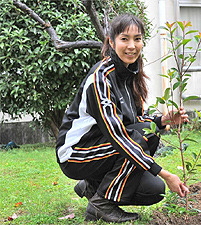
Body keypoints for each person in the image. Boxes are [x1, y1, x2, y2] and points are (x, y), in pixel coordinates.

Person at [56, 13, 189, 223]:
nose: (131, 46)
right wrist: (165, 173)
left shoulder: (129, 75)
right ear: (111, 41)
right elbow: (118, 136)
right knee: (139, 139)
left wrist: (161, 121)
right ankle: (101, 203)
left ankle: (92, 186)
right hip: (76, 153)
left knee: (154, 188)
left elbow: (133, 119)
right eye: (124, 39)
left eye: (137, 39)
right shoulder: (100, 78)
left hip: (100, 149)